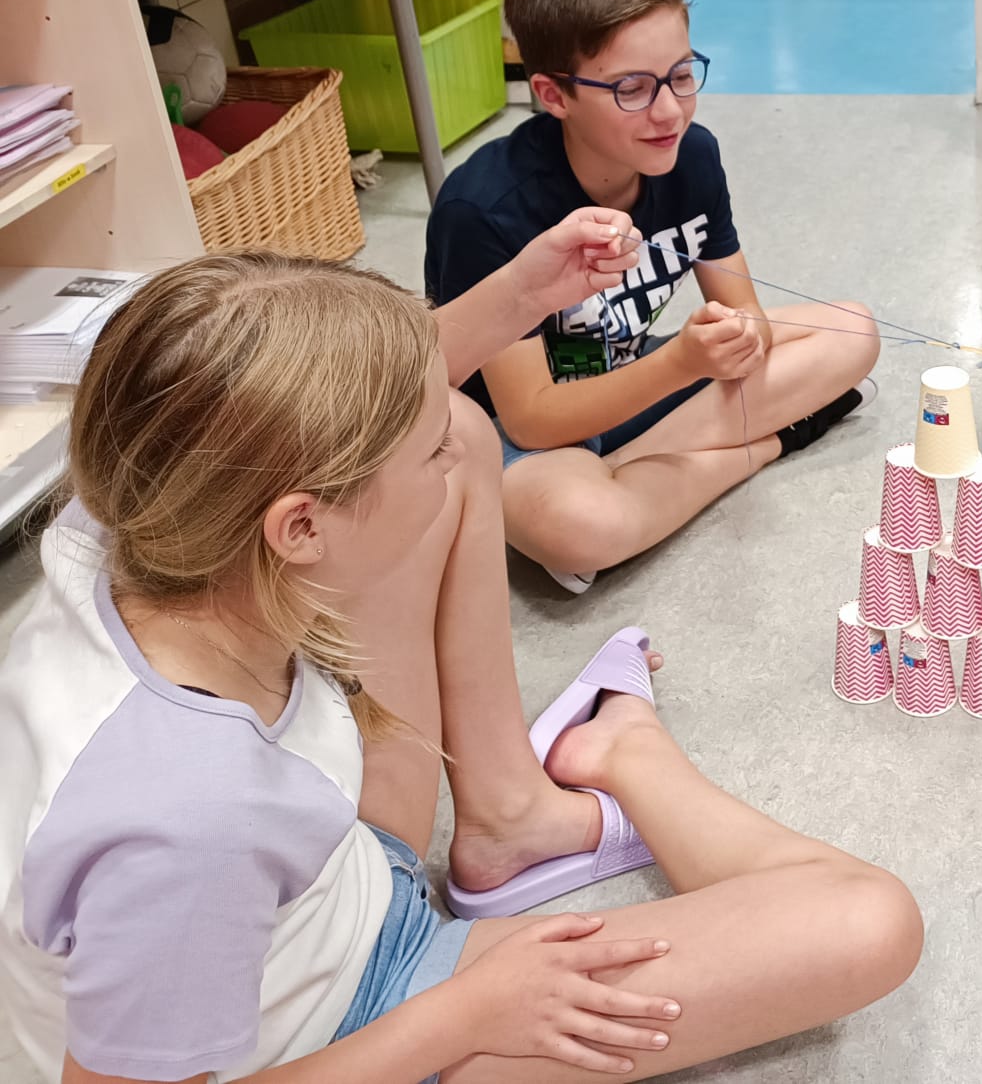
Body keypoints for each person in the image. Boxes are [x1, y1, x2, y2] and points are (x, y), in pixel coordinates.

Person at [0, 239, 922, 1083]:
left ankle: (513, 813)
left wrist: (523, 291)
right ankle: (627, 755)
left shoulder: (126, 509)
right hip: (353, 1025)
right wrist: (462, 1017)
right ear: (302, 525)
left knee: (470, 433)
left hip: (327, 879)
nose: (443, 449)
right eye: (420, 454)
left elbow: (320, 403)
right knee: (865, 922)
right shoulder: (190, 823)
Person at [425, 0, 880, 594]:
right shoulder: (485, 208)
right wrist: (685, 367)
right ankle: (773, 442)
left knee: (855, 331)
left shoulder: (690, 156)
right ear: (554, 94)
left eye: (682, 74)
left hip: (632, 381)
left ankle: (635, 478)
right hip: (525, 435)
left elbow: (742, 307)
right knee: (579, 526)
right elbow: (529, 418)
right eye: (632, 89)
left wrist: (736, 336)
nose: (669, 110)